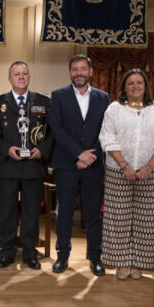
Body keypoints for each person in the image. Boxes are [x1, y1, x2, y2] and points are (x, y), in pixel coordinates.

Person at [99, 68, 154, 280]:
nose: (135, 86)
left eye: (139, 82)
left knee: (144, 220)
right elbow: (107, 138)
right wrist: (124, 166)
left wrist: (149, 167)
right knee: (117, 218)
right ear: (124, 87)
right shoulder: (114, 109)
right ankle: (121, 263)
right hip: (118, 170)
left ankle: (138, 263)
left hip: (148, 173)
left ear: (145, 86)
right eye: (130, 83)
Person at [49, 55, 110, 275]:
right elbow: (57, 129)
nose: (79, 73)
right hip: (67, 164)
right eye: (74, 69)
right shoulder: (58, 96)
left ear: (91, 72)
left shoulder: (104, 98)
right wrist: (78, 154)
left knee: (93, 213)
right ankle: (62, 256)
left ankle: (95, 257)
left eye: (83, 69)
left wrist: (89, 155)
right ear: (70, 73)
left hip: (93, 165)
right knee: (64, 212)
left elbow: (106, 129)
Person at [0, 61, 53, 270]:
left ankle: (29, 252)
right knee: (7, 212)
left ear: (29, 77)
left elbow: (52, 133)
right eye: (16, 74)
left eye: (25, 74)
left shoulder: (43, 102)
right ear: (9, 79)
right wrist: (6, 149)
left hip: (33, 166)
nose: (21, 77)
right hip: (8, 165)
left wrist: (42, 150)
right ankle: (7, 252)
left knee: (31, 212)